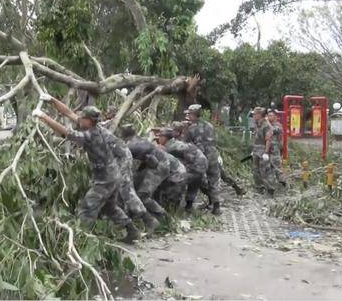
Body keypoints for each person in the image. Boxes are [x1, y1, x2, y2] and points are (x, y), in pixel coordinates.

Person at [32, 94, 141, 243]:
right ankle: (132, 231)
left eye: (82, 118)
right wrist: (51, 100)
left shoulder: (91, 135)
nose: (79, 119)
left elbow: (66, 133)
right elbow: (69, 112)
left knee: (86, 209)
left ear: (89, 121)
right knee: (110, 208)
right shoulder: (93, 127)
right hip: (114, 175)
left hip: (106, 179)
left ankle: (82, 240)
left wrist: (43, 116)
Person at [118, 125, 170, 219]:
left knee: (143, 195)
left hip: (159, 166)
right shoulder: (138, 140)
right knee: (135, 189)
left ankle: (165, 217)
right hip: (153, 165)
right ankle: (134, 215)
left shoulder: (132, 144)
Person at [156, 127, 212, 214]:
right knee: (195, 183)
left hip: (196, 166)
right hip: (201, 164)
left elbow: (162, 156)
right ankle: (190, 206)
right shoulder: (175, 142)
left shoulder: (170, 147)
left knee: (175, 181)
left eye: (159, 137)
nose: (158, 139)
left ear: (164, 138)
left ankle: (172, 208)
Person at [184, 104, 222, 215]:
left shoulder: (191, 128)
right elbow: (215, 140)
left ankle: (189, 205)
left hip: (200, 157)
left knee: (195, 180)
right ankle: (216, 207)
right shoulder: (210, 126)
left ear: (193, 115)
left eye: (189, 114)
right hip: (213, 155)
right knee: (214, 181)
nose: (188, 116)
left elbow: (187, 144)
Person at [251, 106, 278, 196]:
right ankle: (259, 188)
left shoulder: (266, 125)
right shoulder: (257, 123)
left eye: (255, 114)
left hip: (263, 150)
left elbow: (268, 140)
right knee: (255, 170)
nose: (253, 116)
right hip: (256, 150)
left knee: (265, 171)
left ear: (259, 115)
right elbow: (256, 138)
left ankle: (270, 190)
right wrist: (253, 150)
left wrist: (266, 152)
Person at [267, 109, 287, 186]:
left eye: (271, 116)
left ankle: (282, 181)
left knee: (276, 165)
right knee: (268, 166)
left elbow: (273, 130)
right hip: (267, 148)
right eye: (268, 116)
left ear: (275, 117)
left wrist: (267, 123)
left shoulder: (278, 125)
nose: (269, 117)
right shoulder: (266, 125)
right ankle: (271, 183)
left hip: (275, 149)